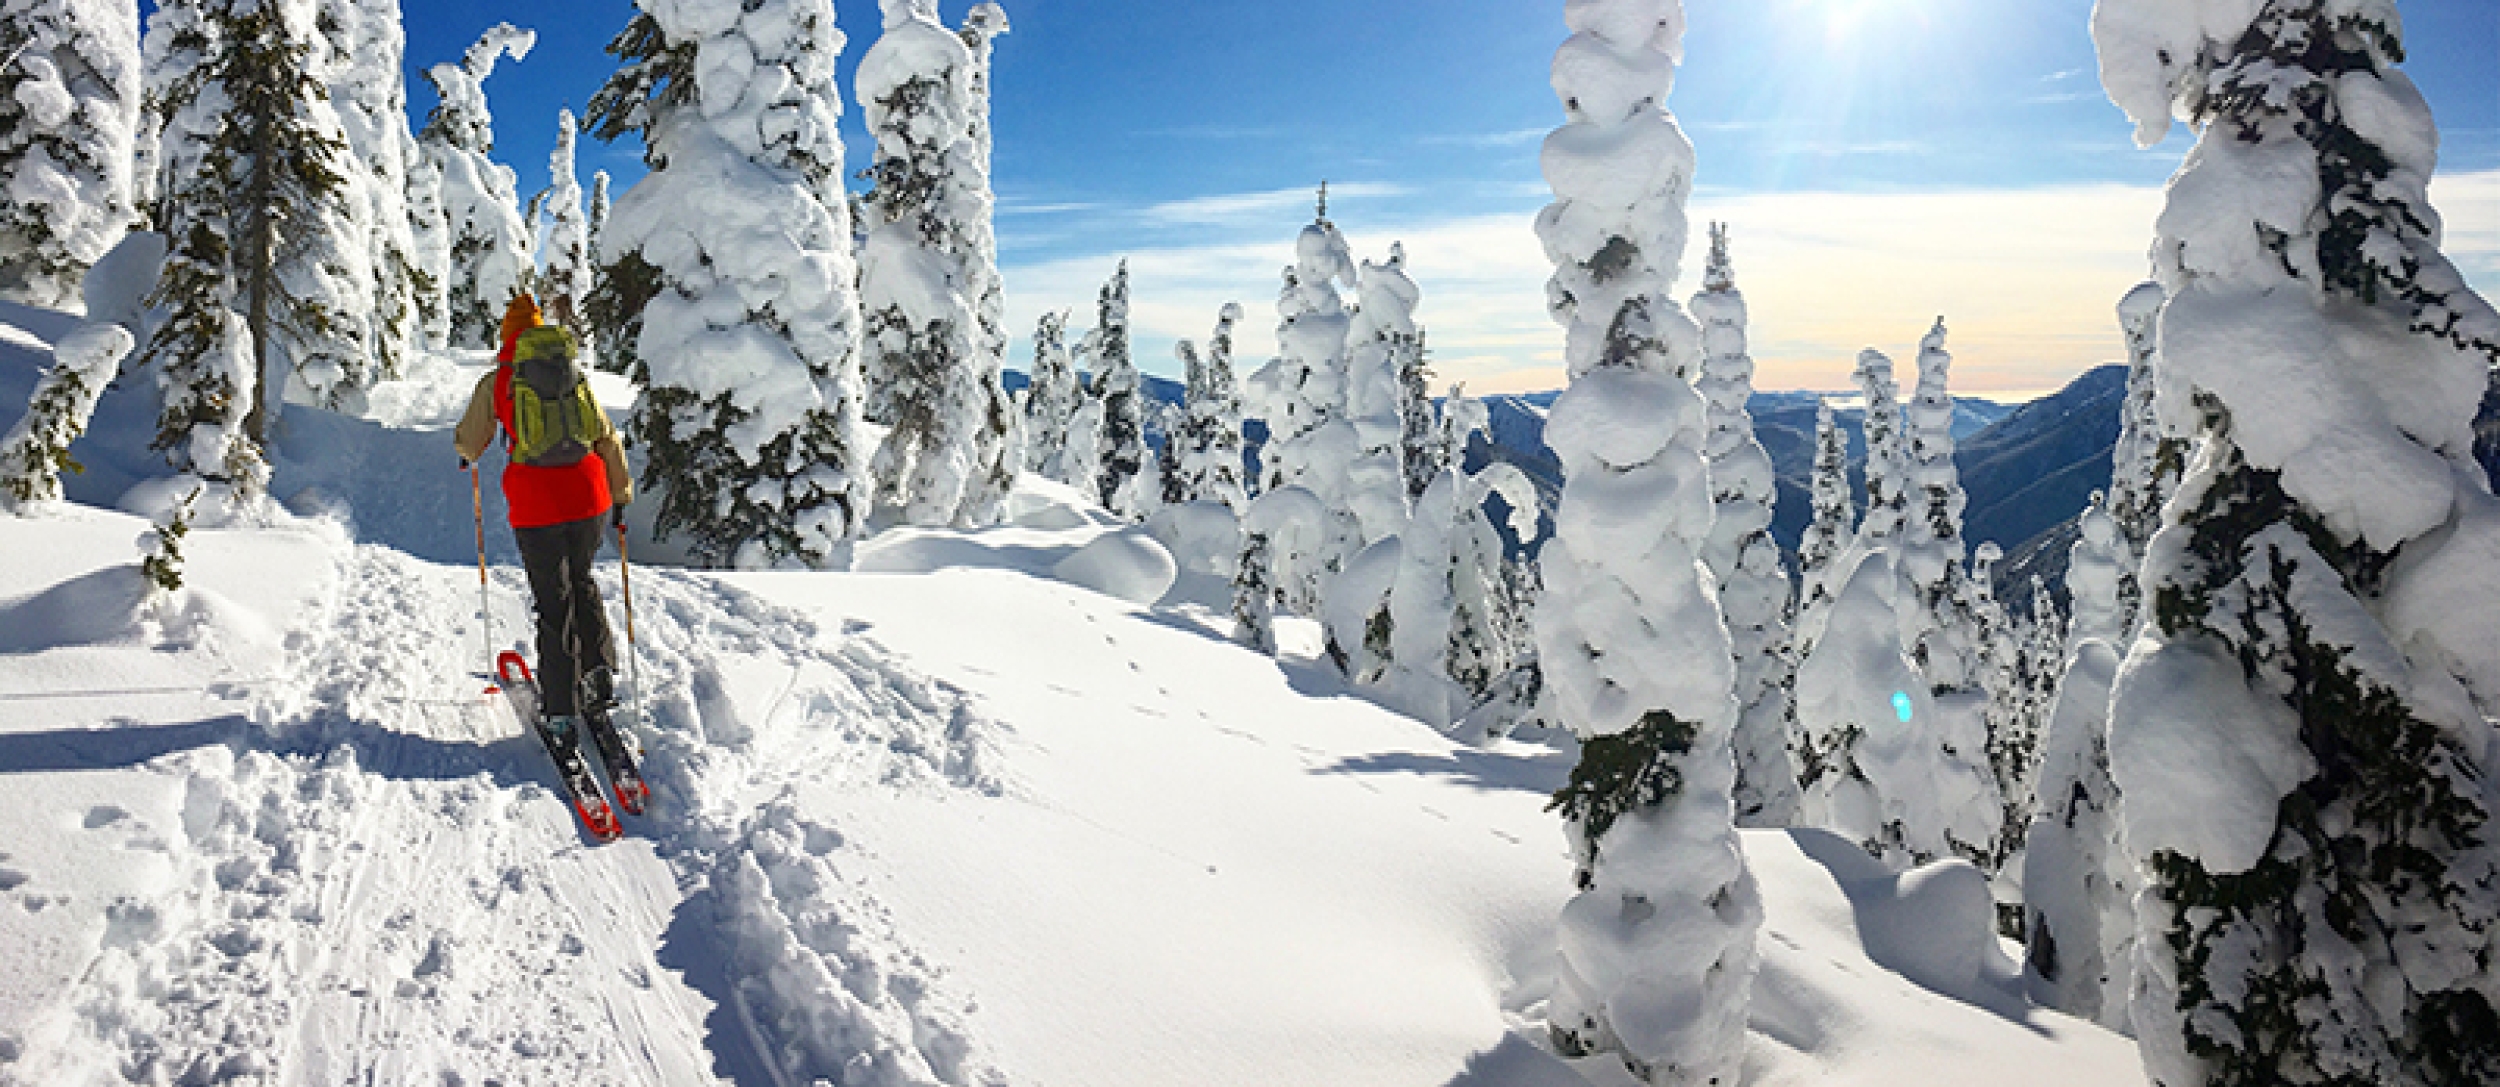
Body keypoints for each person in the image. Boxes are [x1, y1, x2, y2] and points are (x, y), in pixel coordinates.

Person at [454, 293, 634, 761]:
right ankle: (596, 680)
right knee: (582, 583)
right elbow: (605, 436)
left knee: (553, 603)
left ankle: (559, 711)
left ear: (507, 337)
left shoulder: (500, 381)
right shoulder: (573, 374)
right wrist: (620, 495)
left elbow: (472, 440)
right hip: (590, 496)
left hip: (537, 504)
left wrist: (466, 453)